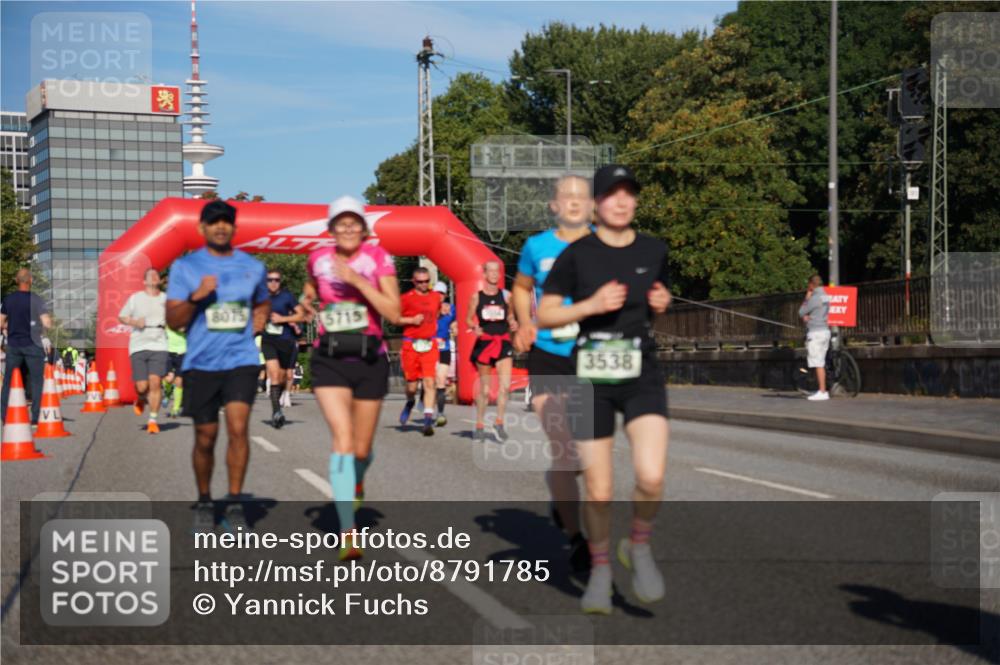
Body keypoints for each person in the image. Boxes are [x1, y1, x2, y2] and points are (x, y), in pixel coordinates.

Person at [537, 164, 672, 614]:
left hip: (641, 372)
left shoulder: (655, 249)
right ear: (596, 204)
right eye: (611, 193)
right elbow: (546, 314)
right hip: (591, 375)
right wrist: (591, 305)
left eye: (628, 193)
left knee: (651, 477)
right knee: (598, 490)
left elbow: (657, 301)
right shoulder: (577, 255)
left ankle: (638, 545)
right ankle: (599, 571)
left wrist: (663, 303)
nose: (621, 201)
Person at [301, 195, 400, 560]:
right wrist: (306, 301)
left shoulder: (378, 258)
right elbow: (311, 287)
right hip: (329, 358)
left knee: (362, 449)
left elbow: (393, 311)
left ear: (363, 228)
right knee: (342, 439)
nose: (347, 229)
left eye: (353, 223)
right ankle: (348, 533)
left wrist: (358, 281)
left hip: (369, 357)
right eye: (340, 223)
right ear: (331, 229)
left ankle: (356, 482)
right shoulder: (317, 258)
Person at [165, 200, 270, 533]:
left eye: (226, 222)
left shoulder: (253, 266)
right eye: (214, 222)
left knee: (238, 429)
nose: (220, 227)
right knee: (205, 437)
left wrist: (259, 319)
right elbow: (173, 320)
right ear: (202, 228)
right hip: (201, 362)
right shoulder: (186, 267)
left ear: (234, 228)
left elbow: (263, 300)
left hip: (241, 360)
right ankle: (205, 501)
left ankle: (235, 503)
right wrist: (197, 296)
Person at [513, 173, 594, 572]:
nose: (575, 202)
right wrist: (523, 323)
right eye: (567, 196)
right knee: (564, 449)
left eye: (582, 196)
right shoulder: (537, 246)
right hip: (548, 353)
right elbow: (521, 287)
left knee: (586, 457)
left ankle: (559, 498)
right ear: (554, 205)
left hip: (592, 355)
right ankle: (577, 539)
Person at [467, 261, 517, 442]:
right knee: (485, 391)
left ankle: (499, 422)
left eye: (497, 271)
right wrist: (475, 327)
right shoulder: (476, 297)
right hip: (485, 344)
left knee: (505, 386)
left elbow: (510, 315)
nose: (495, 274)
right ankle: (480, 425)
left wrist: (512, 322)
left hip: (503, 342)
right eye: (491, 271)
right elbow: (468, 319)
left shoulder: (507, 296)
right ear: (485, 274)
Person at [118, 268, 170, 434]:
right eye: (151, 276)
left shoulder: (166, 299)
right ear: (144, 281)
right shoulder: (136, 298)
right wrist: (134, 322)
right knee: (142, 386)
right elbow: (122, 316)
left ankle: (152, 420)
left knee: (155, 382)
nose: (154, 278)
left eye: (156, 275)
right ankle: (140, 398)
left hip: (159, 344)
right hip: (139, 344)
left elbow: (175, 317)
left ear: (159, 281)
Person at [1, 268, 52, 425]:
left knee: (9, 380)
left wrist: (8, 327)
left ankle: (5, 416)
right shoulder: (37, 300)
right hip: (33, 345)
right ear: (31, 280)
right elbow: (47, 323)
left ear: (16, 281)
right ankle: (36, 417)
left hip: (14, 346)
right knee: (36, 381)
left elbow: (1, 322)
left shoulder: (8, 300)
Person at [398, 266, 442, 436]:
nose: (424, 284)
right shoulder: (405, 299)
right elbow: (394, 318)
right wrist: (411, 320)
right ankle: (410, 401)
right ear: (413, 281)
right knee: (412, 386)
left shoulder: (435, 297)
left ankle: (427, 420)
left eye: (427, 281)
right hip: (411, 345)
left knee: (430, 382)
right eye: (420, 282)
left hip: (429, 345)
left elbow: (437, 314)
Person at [261, 268, 307, 428]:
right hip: (268, 341)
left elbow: (301, 315)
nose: (273, 283)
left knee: (282, 378)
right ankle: (276, 412)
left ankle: (279, 402)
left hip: (286, 341)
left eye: (276, 280)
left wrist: (283, 319)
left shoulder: (287, 297)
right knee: (274, 374)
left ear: (280, 282)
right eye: (270, 280)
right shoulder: (260, 296)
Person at [799, 274, 831, 401]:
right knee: (821, 361)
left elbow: (801, 312)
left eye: (809, 285)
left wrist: (807, 297)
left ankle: (822, 391)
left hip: (815, 333)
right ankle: (821, 389)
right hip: (825, 330)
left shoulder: (814, 298)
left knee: (818, 363)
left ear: (812, 285)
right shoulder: (825, 296)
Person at [433, 284, 456, 426]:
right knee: (430, 382)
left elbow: (454, 323)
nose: (439, 296)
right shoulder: (427, 307)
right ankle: (425, 404)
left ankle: (440, 413)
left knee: (441, 381)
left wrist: (455, 327)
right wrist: (437, 311)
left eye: (442, 293)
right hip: (429, 349)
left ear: (445, 295)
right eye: (437, 293)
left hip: (444, 349)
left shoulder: (451, 308)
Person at [163, 326, 186, 418]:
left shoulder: (186, 320)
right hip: (168, 352)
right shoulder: (167, 320)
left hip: (183, 353)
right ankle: (167, 394)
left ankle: (175, 409)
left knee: (179, 382)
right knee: (169, 379)